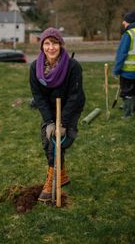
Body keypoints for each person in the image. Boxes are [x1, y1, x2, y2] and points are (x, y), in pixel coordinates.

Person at [29, 27, 85, 202]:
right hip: (50, 108)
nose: (50, 47)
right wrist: (49, 121)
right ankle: (61, 176)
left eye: (54, 43)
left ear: (60, 45)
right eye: (47, 43)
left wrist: (63, 123)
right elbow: (38, 96)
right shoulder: (35, 68)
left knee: (62, 141)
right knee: (47, 142)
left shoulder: (72, 66)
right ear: (42, 46)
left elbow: (75, 96)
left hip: (70, 107)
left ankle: (51, 182)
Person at [113, 11, 135, 118]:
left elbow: (121, 54)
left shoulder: (128, 34)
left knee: (127, 93)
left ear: (129, 21)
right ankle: (134, 111)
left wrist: (116, 70)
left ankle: (127, 114)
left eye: (125, 20)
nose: (123, 22)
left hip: (128, 71)